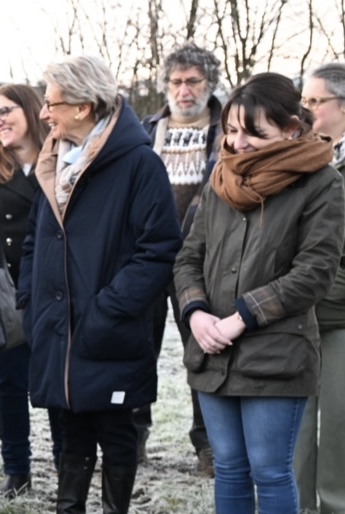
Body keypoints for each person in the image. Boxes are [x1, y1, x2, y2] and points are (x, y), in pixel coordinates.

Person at [175, 73, 343, 514]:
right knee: (229, 467)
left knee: (270, 469)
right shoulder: (220, 178)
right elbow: (188, 257)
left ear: (293, 129)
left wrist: (244, 315)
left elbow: (315, 272)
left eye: (254, 132)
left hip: (277, 351)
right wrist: (197, 310)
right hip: (214, 351)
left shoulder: (320, 183)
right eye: (230, 131)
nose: (238, 143)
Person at [18, 55, 182, 514]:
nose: (44, 113)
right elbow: (33, 241)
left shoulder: (139, 165)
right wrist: (31, 297)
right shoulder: (54, 162)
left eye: (53, 102)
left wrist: (110, 308)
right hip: (58, 324)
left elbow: (159, 249)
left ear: (85, 107)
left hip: (109, 325)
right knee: (68, 423)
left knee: (114, 430)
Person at [294, 63, 345, 514]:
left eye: (315, 102)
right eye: (303, 101)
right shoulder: (300, 151)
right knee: (295, 406)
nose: (306, 110)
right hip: (301, 301)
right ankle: (296, 498)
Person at [137, 44, 224, 473]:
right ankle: (133, 438)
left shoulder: (228, 131)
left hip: (202, 259)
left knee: (201, 350)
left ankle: (208, 445)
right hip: (148, 256)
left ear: (210, 84)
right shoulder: (146, 129)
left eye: (193, 81)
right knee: (138, 348)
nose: (184, 90)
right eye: (176, 81)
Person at [0, 83, 62, 499]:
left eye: (5, 111)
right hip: (9, 296)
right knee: (9, 384)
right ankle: (17, 470)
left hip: (56, 294)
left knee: (60, 388)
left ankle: (68, 464)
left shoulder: (63, 162)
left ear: (32, 111)